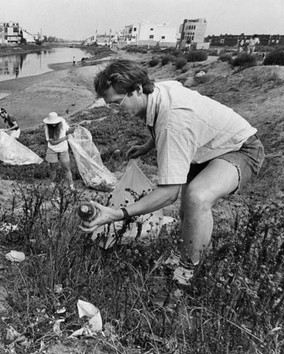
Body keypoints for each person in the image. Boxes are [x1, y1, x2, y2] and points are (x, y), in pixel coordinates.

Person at [81, 59, 264, 285]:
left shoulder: (174, 121)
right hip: (205, 147)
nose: (116, 111)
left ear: (137, 90)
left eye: (117, 104)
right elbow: (159, 118)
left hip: (241, 148)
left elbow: (169, 193)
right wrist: (149, 144)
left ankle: (189, 270)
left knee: (198, 197)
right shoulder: (156, 90)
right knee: (188, 208)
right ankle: (184, 252)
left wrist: (117, 214)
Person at [43, 112, 74, 191]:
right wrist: (64, 138)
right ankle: (53, 184)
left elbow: (68, 130)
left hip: (63, 149)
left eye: (55, 123)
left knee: (67, 168)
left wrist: (75, 128)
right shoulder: (47, 128)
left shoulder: (62, 123)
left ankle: (71, 184)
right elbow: (52, 142)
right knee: (53, 168)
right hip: (52, 150)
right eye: (51, 123)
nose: (53, 125)